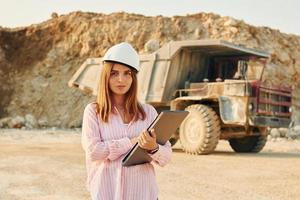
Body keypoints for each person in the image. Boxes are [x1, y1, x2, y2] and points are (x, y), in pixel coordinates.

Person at [81, 42, 172, 200]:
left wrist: (153, 148)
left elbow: (166, 157)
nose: (121, 79)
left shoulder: (148, 112)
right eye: (114, 73)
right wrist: (132, 142)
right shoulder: (93, 112)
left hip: (143, 194)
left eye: (127, 73)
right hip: (106, 193)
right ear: (106, 76)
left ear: (133, 77)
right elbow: (93, 152)